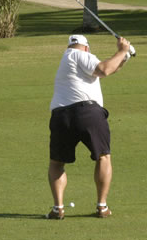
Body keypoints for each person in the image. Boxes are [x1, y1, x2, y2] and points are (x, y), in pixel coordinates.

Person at [46, 34, 131, 220]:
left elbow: (108, 68)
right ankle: (102, 207)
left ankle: (57, 208)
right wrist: (121, 50)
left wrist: (123, 58)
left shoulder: (67, 59)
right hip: (88, 113)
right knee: (103, 156)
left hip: (61, 116)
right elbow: (104, 69)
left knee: (57, 162)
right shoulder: (79, 54)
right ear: (87, 47)